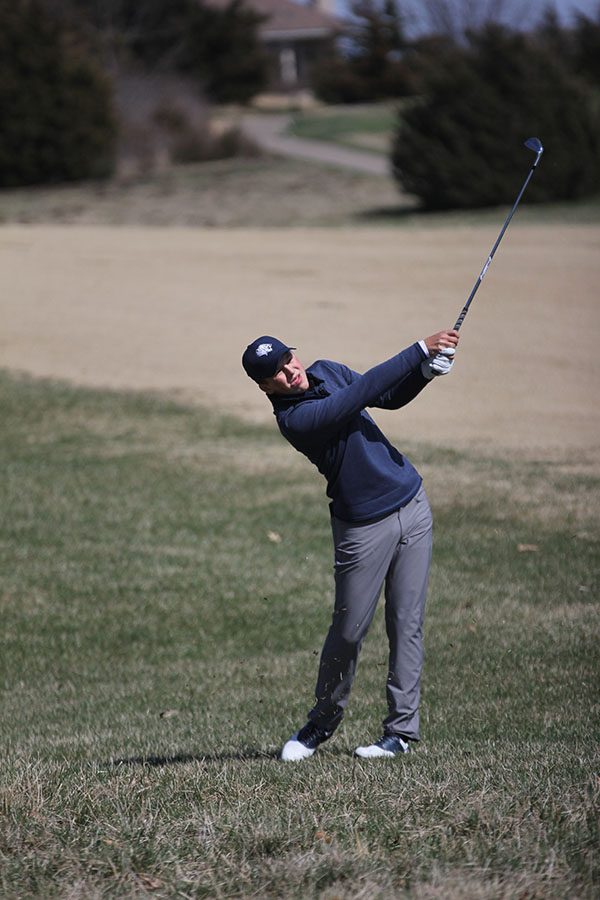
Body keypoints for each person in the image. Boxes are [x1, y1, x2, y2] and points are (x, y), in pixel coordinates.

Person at [241, 329, 459, 760]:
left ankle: (400, 733)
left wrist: (423, 374)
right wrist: (418, 350)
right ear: (265, 387)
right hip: (362, 529)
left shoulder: (326, 371)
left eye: (289, 359)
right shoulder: (296, 421)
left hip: (412, 504)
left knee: (406, 622)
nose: (291, 371)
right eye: (278, 373)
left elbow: (388, 397)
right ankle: (321, 724)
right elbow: (357, 396)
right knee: (348, 630)